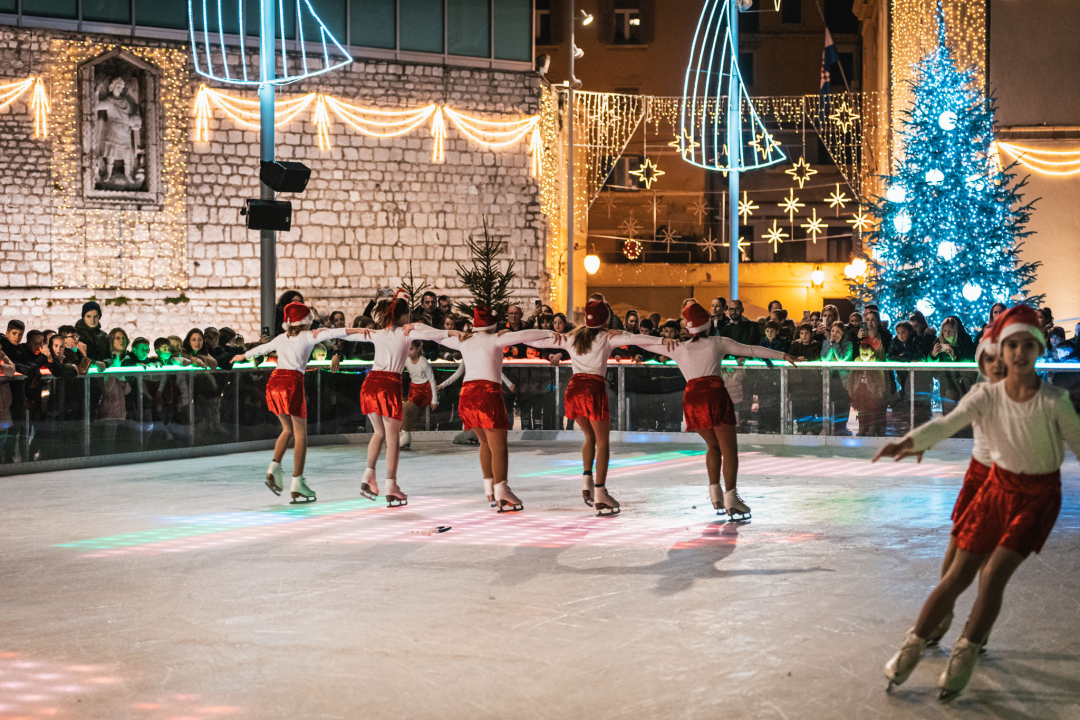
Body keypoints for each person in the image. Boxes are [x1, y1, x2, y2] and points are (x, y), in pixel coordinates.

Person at [876, 305, 1080, 700]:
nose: (1018, 354)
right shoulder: (986, 395)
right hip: (994, 489)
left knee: (993, 575)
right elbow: (945, 424)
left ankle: (968, 647)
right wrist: (910, 442)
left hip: (1037, 500)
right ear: (1001, 352)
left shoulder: (1054, 401)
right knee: (957, 573)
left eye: (1027, 345)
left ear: (1038, 350)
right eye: (1011, 346)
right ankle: (914, 642)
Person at [632, 301, 796, 519]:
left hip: (692, 400)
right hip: (714, 396)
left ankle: (715, 495)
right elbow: (750, 350)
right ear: (708, 323)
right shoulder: (718, 342)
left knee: (712, 446)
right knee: (729, 451)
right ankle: (731, 499)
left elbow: (646, 343)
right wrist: (783, 355)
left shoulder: (678, 347)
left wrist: (660, 340)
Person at [924, 336, 1006, 648]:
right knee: (957, 544)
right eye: (988, 359)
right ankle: (943, 614)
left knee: (992, 557)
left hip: (1008, 479)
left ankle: (979, 622)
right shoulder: (979, 391)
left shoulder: (1025, 393)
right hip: (978, 475)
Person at [430, 307, 553, 512]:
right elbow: (525, 335)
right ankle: (502, 490)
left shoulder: (465, 340)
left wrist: (447, 332)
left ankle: (490, 488)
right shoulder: (497, 339)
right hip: (487, 395)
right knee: (499, 446)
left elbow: (433, 336)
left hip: (467, 396)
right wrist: (551, 333)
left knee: (484, 442)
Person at [338, 297, 451, 507]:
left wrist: (322, 335)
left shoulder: (378, 333)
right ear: (403, 315)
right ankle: (391, 485)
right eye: (407, 314)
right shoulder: (408, 332)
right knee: (392, 439)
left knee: (378, 433)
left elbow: (346, 332)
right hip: (389, 384)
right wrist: (453, 333)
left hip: (371, 383)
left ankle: (368, 475)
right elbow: (434, 334)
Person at [232, 302, 346, 504]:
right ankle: (297, 483)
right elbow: (337, 333)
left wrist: (241, 356)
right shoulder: (309, 335)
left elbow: (261, 349)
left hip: (274, 382)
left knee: (287, 429)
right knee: (301, 434)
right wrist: (365, 331)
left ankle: (273, 469)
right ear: (305, 322)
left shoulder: (282, 337)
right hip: (292, 383)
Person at [525, 300, 624, 515]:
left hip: (574, 391)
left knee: (590, 437)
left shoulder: (573, 336)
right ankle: (599, 493)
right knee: (603, 443)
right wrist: (664, 341)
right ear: (605, 318)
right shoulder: (608, 337)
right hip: (593, 391)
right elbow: (639, 339)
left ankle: (587, 482)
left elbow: (541, 341)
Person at [400, 340, 440, 449]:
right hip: (413, 388)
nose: (409, 352)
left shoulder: (423, 362)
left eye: (411, 349)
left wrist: (434, 400)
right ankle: (405, 437)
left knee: (405, 409)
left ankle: (405, 437)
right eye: (407, 349)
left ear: (418, 349)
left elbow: (432, 381)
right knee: (408, 412)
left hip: (424, 390)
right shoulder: (406, 360)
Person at [846, 341, 887, 436]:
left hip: (872, 391)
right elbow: (851, 375)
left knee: (872, 411)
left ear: (872, 353)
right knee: (861, 411)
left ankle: (872, 429)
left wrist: (881, 390)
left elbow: (881, 378)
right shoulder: (857, 361)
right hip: (859, 389)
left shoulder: (877, 363)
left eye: (866, 353)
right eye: (862, 353)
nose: (864, 355)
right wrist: (850, 388)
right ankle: (862, 428)